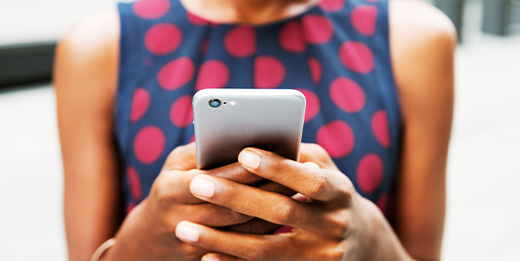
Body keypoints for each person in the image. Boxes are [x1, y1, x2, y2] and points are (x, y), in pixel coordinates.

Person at [54, 0, 456, 260]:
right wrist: (143, 241)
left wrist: (369, 240)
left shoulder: (414, 38)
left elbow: (421, 253)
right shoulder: (99, 46)